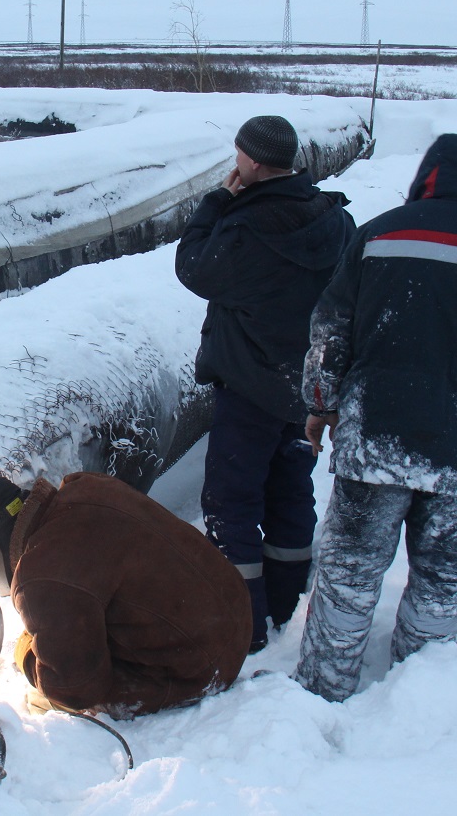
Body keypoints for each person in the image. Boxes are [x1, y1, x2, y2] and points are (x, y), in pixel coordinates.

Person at [294, 133, 457, 702]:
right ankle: (422, 694)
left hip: (377, 440)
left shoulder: (379, 235)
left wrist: (321, 403)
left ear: (424, 179)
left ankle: (320, 691)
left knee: (350, 570)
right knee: (440, 574)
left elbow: (330, 331)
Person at [174, 114, 357, 649]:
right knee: (291, 492)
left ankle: (245, 624)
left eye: (238, 156)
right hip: (307, 391)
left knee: (233, 501)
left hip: (250, 387)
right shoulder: (335, 221)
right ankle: (285, 602)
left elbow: (193, 268)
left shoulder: (245, 226)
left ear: (251, 161)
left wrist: (216, 203)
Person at [0, 472, 252, 718]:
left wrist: (27, 655)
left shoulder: (43, 574)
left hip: (200, 670)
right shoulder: (85, 487)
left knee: (46, 700)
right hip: (234, 619)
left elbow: (73, 688)